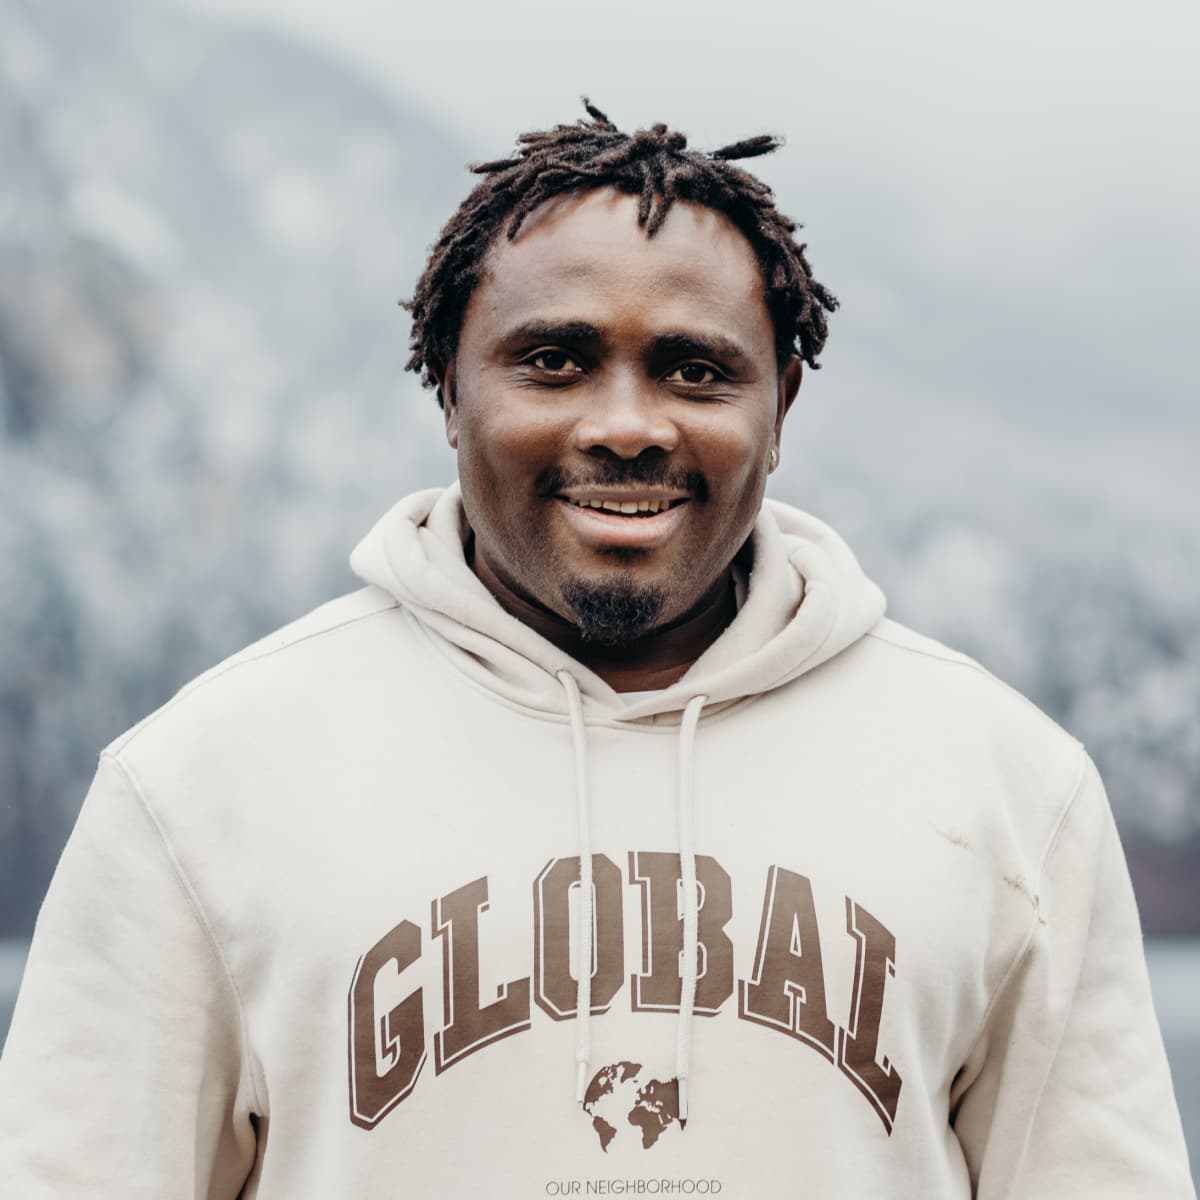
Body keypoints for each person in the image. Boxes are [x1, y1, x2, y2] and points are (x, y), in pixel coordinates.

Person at [0, 101, 1192, 1198]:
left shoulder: (1005, 787)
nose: (626, 426)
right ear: (448, 391)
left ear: (779, 405)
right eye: (555, 360)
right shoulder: (201, 787)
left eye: (695, 368)